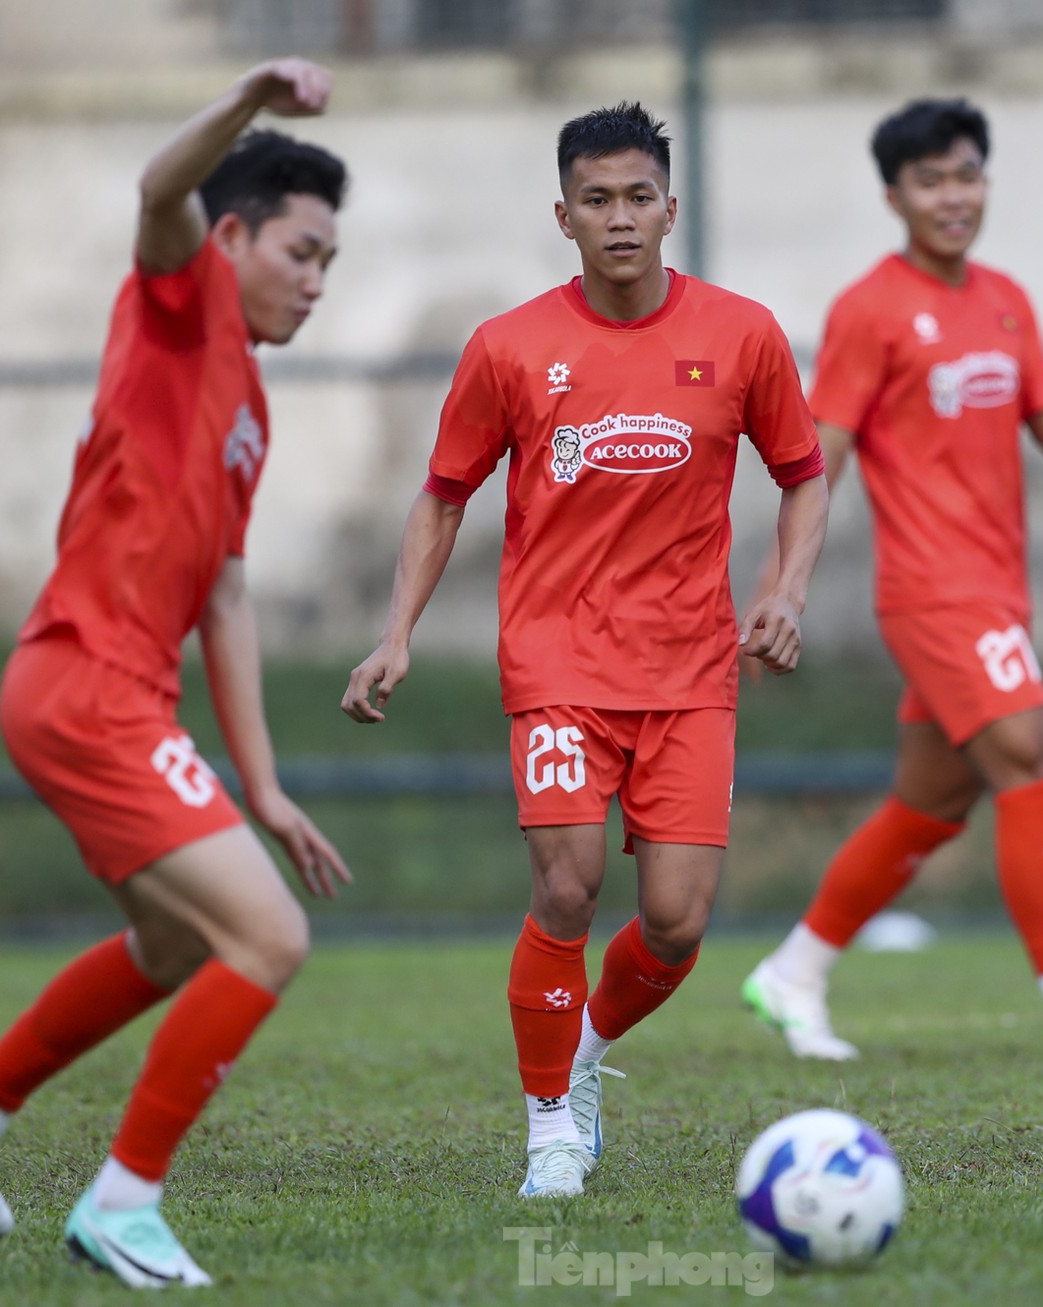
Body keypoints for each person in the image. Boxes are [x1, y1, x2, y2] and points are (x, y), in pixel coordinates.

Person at [0, 60, 353, 1287]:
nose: (316, 282)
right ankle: (123, 1200)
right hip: (84, 682)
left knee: (171, 945)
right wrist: (252, 99)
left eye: (331, 265)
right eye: (302, 254)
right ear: (236, 236)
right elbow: (162, 186)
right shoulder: (177, 305)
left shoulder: (247, 401)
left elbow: (227, 594)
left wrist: (261, 784)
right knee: (268, 936)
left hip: (112, 694)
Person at [343, 101, 830, 1200]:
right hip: (557, 660)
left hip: (691, 667)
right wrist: (396, 633)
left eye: (638, 197)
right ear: (562, 216)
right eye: (597, 201)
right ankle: (549, 1120)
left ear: (672, 208)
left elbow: (803, 476)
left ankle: (588, 1049)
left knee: (676, 922)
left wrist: (785, 590)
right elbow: (442, 495)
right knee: (566, 888)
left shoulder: (742, 335)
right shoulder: (507, 347)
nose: (620, 218)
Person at [741, 98, 1043, 1064]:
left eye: (967, 174)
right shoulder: (870, 309)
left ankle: (794, 970)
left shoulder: (1006, 299)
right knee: (1034, 750)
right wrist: (782, 589)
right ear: (894, 194)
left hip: (996, 587)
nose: (954, 196)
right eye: (932, 179)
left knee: (932, 804)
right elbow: (822, 459)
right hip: (932, 591)